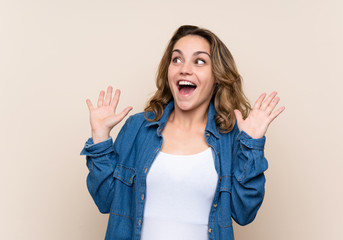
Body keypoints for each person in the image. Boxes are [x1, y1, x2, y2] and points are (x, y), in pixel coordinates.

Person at [80, 25, 285, 240]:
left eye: (199, 61)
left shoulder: (230, 138)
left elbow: (244, 213)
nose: (184, 69)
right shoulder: (138, 128)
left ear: (217, 76)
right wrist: (100, 137)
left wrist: (251, 144)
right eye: (176, 59)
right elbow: (105, 201)